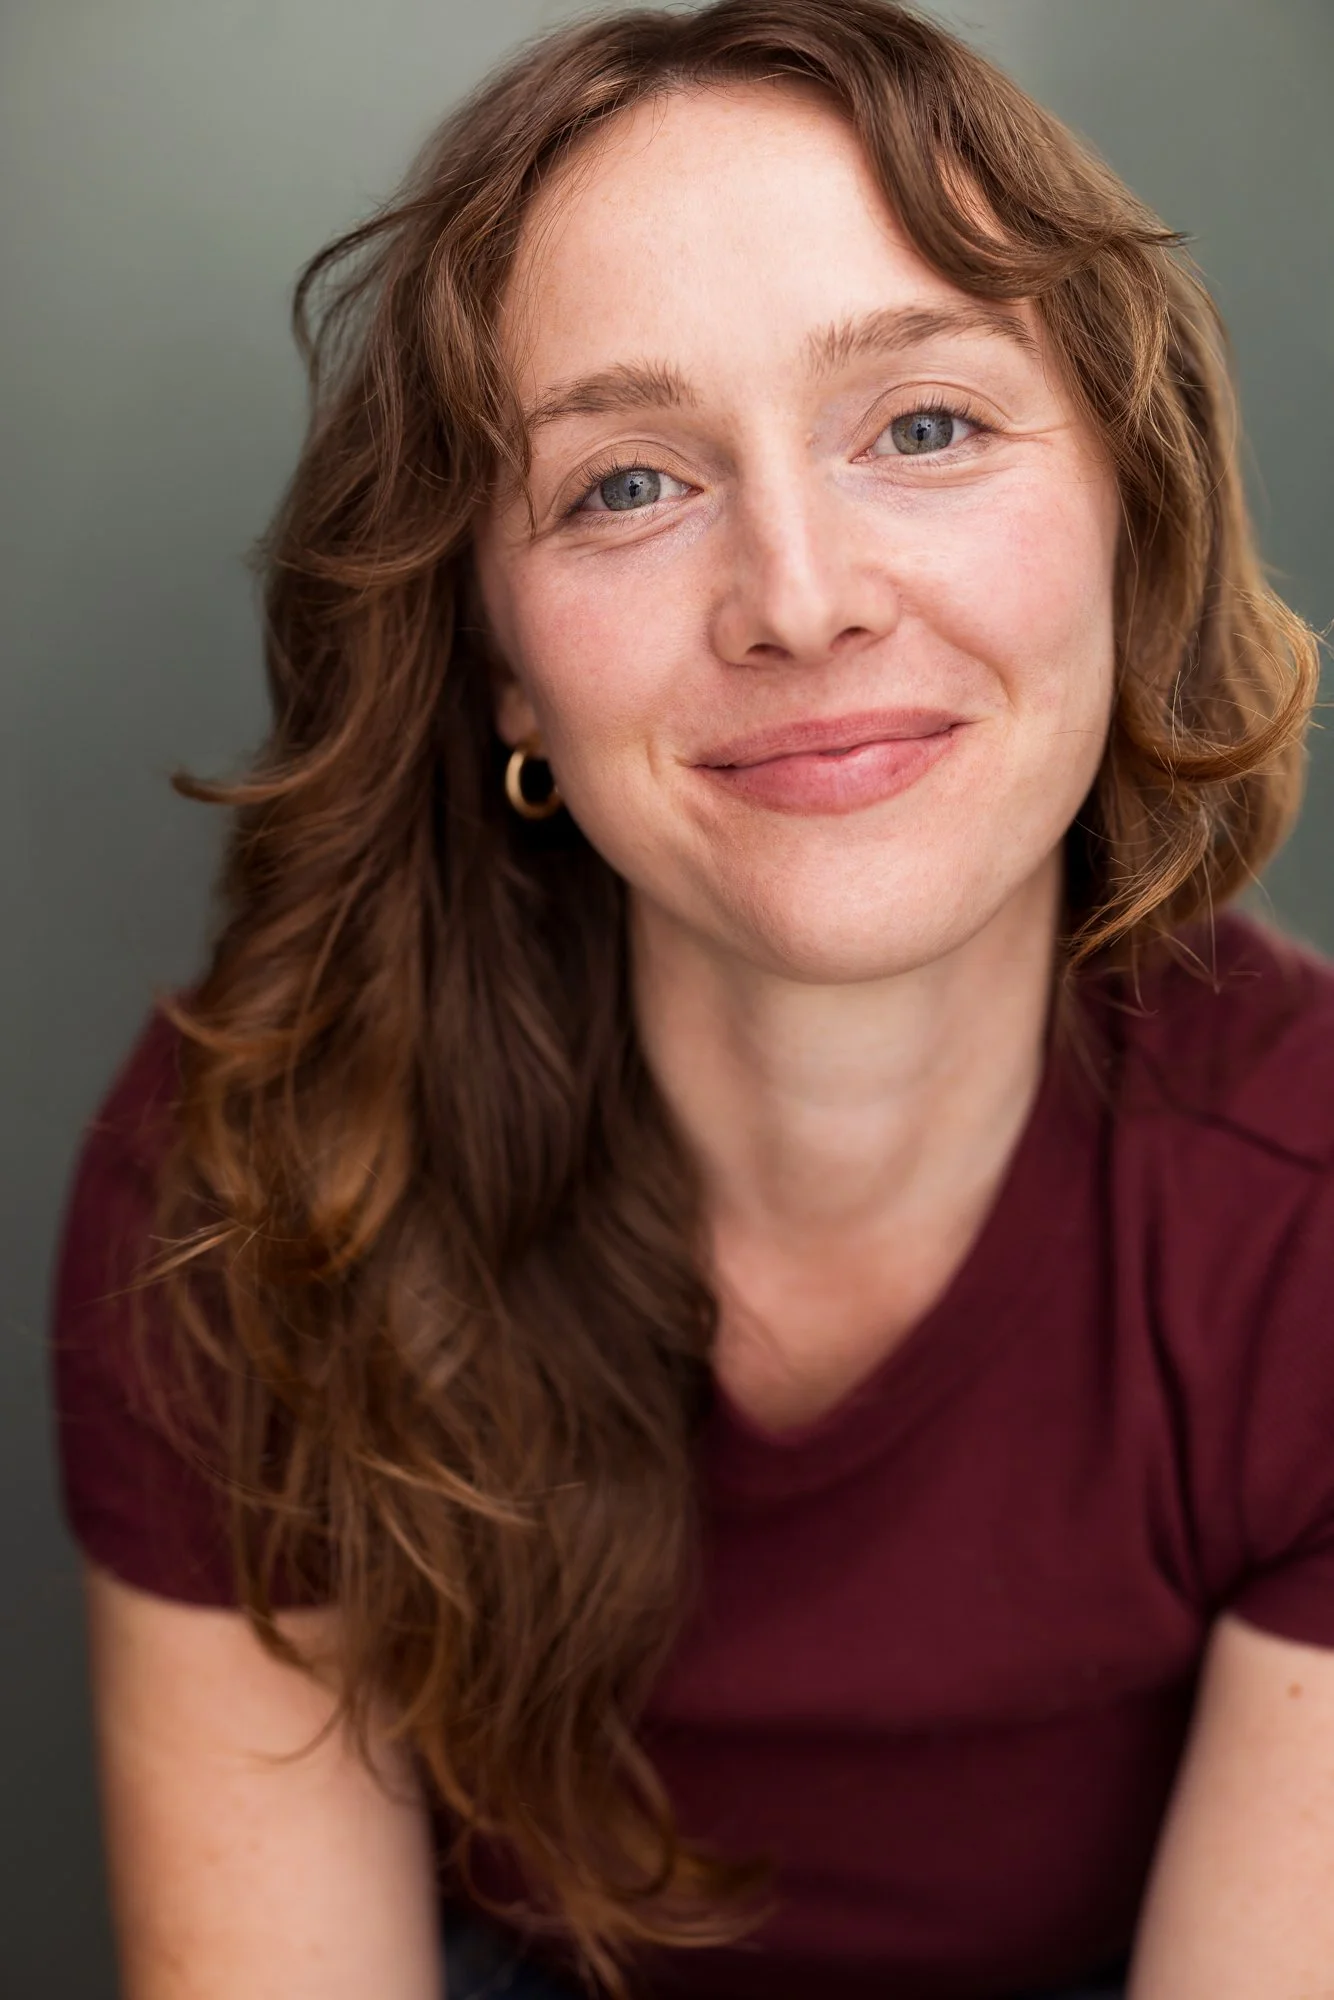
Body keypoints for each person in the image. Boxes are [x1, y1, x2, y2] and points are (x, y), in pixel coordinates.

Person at [47, 1, 1334, 1996]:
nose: (801, 597)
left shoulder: (1308, 1214)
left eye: (923, 425)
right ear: (496, 664)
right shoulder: (256, 1172)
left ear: (1128, 515)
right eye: (627, 485)